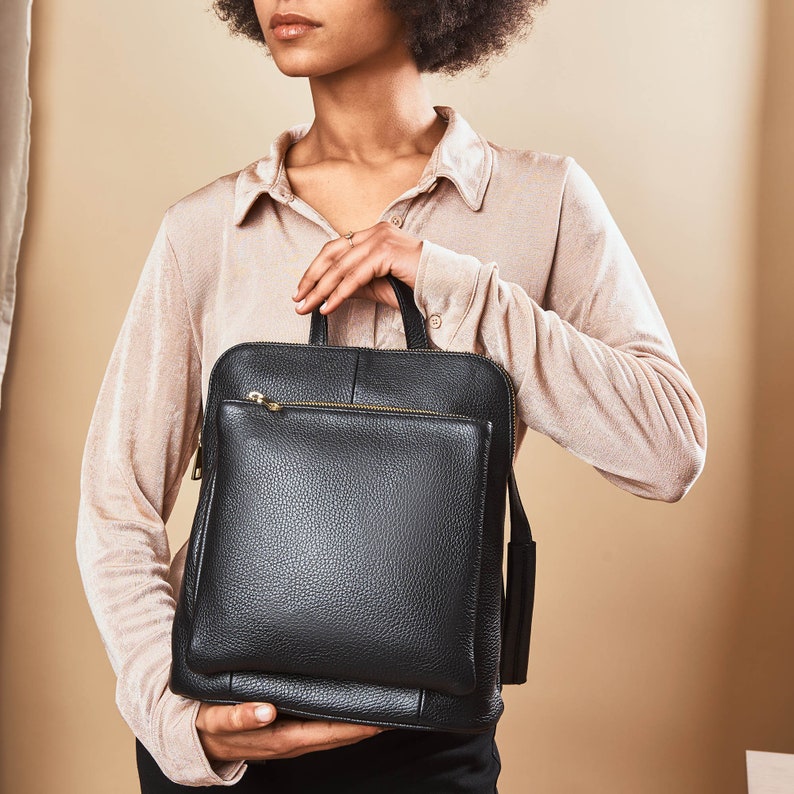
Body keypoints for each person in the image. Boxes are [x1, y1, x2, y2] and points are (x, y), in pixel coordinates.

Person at [75, 0, 707, 791]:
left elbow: (669, 451)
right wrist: (176, 719)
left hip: (429, 742)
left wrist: (449, 282)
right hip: (227, 734)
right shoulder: (207, 229)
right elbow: (115, 504)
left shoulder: (539, 203)